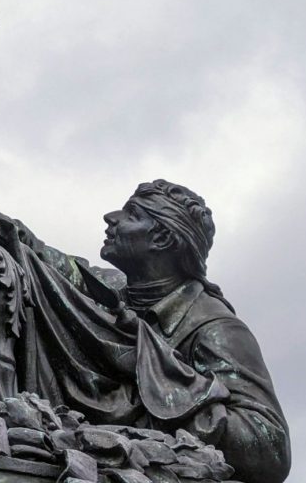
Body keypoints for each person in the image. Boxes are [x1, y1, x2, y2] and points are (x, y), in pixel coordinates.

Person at [100, 180, 291, 483]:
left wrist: (163, 388)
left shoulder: (216, 328)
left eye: (132, 214)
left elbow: (269, 451)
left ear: (161, 237)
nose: (111, 217)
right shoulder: (105, 293)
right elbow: (43, 259)